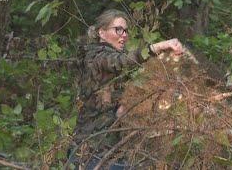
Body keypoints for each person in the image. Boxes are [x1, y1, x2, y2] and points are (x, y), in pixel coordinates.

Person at [69, 9, 184, 169]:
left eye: (126, 30)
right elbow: (121, 61)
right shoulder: (96, 57)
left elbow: (122, 105)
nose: (124, 35)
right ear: (102, 32)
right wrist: (159, 46)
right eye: (118, 29)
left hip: (111, 150)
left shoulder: (114, 66)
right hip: (91, 151)